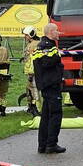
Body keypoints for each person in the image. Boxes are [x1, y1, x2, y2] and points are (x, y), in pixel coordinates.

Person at [32, 22, 65, 154]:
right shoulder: (47, 47)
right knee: (55, 114)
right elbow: (46, 63)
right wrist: (57, 57)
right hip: (51, 85)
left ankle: (43, 145)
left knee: (46, 115)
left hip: (46, 85)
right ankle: (51, 144)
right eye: (57, 31)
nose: (59, 33)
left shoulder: (42, 46)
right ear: (51, 33)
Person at [21, 26, 40, 116]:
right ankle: (32, 107)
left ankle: (37, 109)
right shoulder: (33, 43)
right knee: (30, 90)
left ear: (31, 35)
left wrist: (31, 74)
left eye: (26, 35)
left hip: (33, 72)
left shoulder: (34, 45)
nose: (25, 37)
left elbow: (33, 60)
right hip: (31, 72)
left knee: (34, 90)